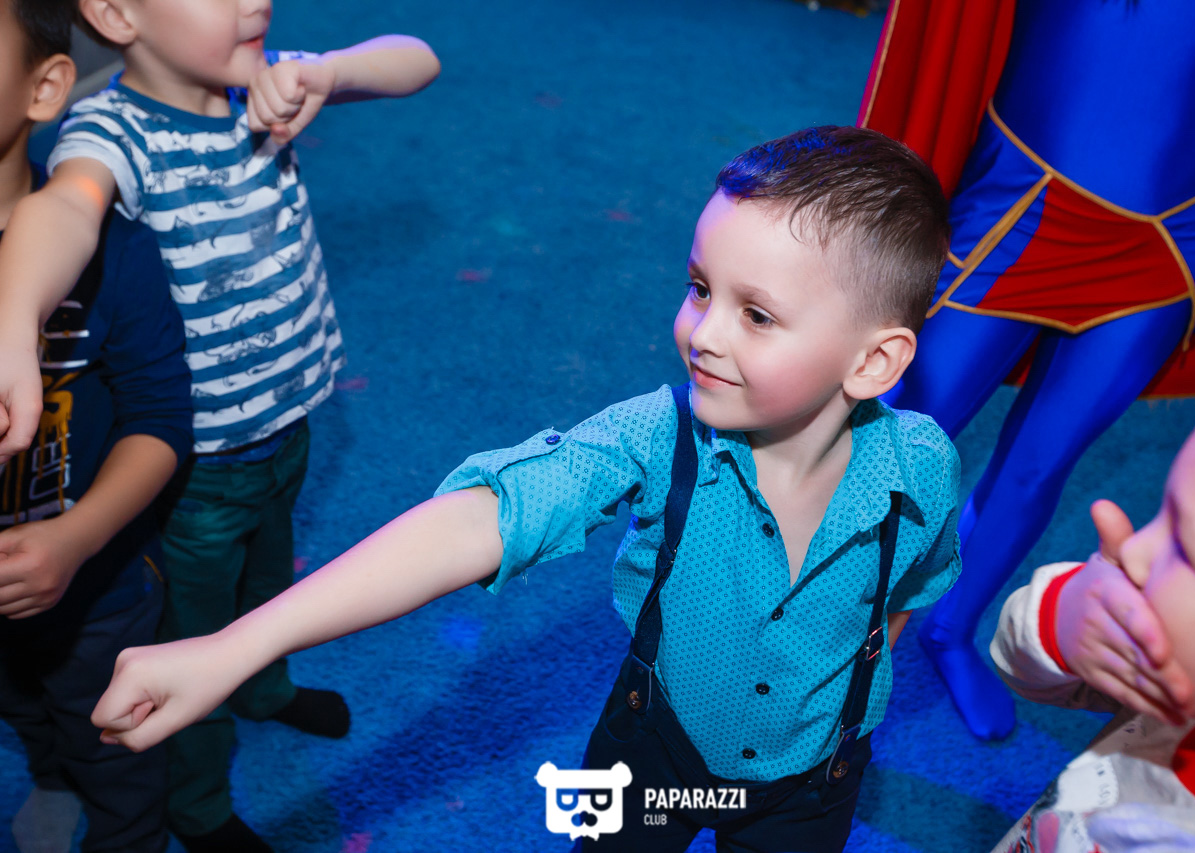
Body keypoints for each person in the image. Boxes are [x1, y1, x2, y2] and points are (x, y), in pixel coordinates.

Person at [89, 126, 962, 853]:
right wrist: (233, 646)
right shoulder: (657, 435)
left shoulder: (921, 467)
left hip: (811, 784)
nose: (702, 333)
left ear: (874, 361)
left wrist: (845, 683)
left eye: (757, 314)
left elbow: (908, 586)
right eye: (700, 288)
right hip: (653, 751)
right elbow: (478, 521)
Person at [0, 1, 441, 848]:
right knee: (192, 644)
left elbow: (417, 59)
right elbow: (65, 210)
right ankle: (197, 805)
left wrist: (330, 72)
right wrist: (15, 318)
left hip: (291, 420)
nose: (253, 2)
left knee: (269, 580)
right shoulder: (111, 132)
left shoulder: (260, 82)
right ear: (115, 13)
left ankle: (265, 688)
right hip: (200, 465)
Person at [870, 0, 1195, 740]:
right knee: (897, 431)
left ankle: (951, 626)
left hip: (1178, 229)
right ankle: (804, 618)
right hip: (1028, 187)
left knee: (1040, 465)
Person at [0, 1, 192, 850]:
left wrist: (75, 540)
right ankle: (48, 773)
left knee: (113, 742)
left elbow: (161, 420)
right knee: (20, 704)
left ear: (44, 88)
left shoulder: (115, 248)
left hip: (97, 585)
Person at [988, 375, 1195, 852]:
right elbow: (1023, 669)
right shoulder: (1184, 689)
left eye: (1183, 547)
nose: (1135, 550)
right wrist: (1064, 621)